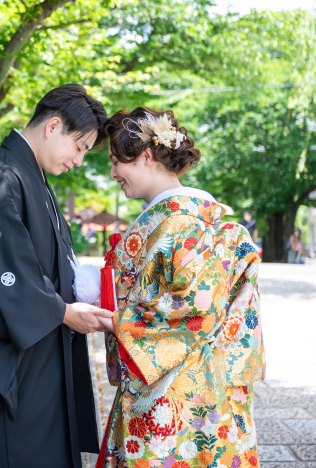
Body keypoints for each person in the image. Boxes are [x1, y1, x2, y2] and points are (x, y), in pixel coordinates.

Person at [0, 84, 115, 468]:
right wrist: (64, 312)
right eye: (80, 147)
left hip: (39, 358)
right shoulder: (1, 178)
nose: (79, 160)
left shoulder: (30, 176)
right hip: (11, 366)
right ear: (53, 126)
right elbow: (1, 274)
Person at [97, 107, 265, 468]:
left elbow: (193, 306)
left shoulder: (178, 220)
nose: (112, 174)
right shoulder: (188, 216)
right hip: (189, 378)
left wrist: (115, 320)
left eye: (116, 163)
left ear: (145, 156)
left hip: (177, 388)